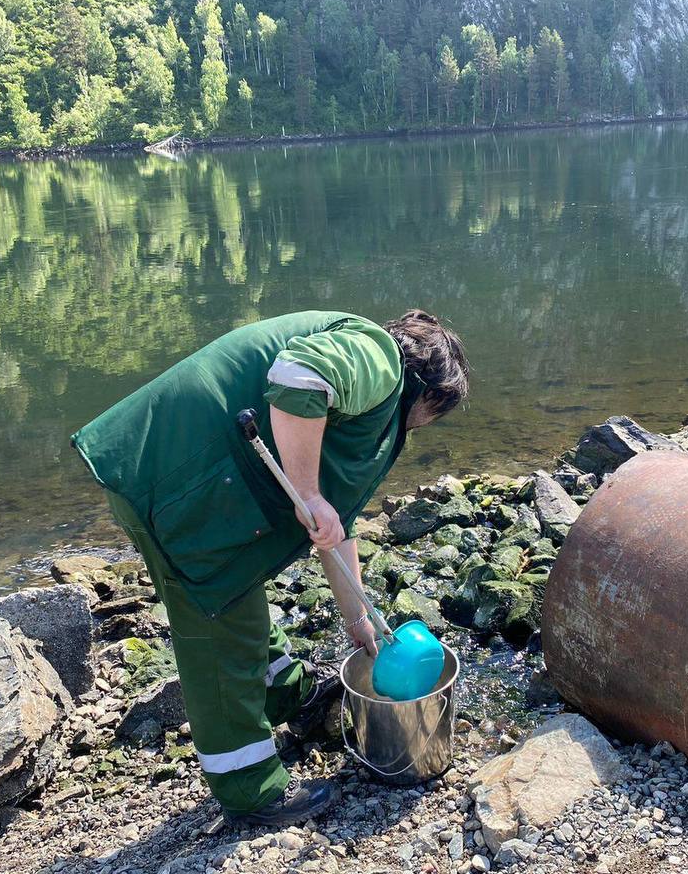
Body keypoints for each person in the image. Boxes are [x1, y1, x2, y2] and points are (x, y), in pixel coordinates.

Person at [72, 310, 470, 826]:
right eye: (436, 414)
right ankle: (251, 791)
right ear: (432, 392)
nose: (425, 427)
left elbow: (336, 522)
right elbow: (297, 376)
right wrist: (305, 492)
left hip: (195, 482)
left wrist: (359, 616)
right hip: (170, 474)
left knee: (235, 593)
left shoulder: (367, 399)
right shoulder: (378, 357)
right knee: (219, 630)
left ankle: (293, 700)